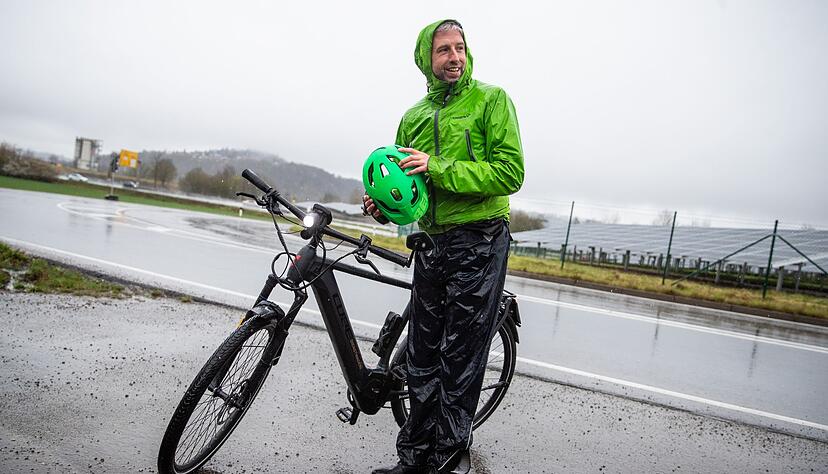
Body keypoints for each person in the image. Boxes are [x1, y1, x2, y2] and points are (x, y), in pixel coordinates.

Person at [365, 19, 524, 474]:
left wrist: (437, 165)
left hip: (481, 237)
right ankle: (413, 458)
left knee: (459, 356)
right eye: (444, 50)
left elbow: (510, 172)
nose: (455, 57)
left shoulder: (492, 100)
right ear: (426, 59)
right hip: (432, 241)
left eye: (460, 48)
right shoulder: (413, 117)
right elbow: (406, 191)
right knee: (421, 354)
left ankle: (448, 458)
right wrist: (382, 207)